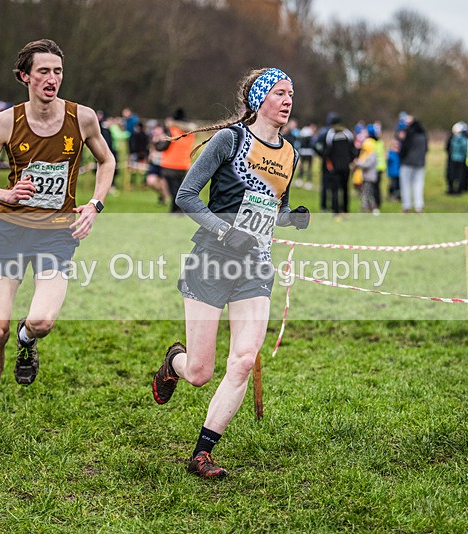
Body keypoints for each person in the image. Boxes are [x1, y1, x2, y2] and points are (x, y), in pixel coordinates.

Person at [151, 67, 310, 478]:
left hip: (255, 266)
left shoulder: (290, 154)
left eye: (291, 93)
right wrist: (225, 230)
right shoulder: (230, 141)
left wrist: (292, 218)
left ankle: (202, 452)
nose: (288, 100)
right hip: (211, 259)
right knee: (201, 372)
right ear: (259, 100)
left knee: (241, 361)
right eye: (279, 92)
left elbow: (273, 210)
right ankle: (175, 362)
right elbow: (187, 196)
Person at [0, 38, 115, 428]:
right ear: (24, 76)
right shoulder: (4, 122)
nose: (52, 78)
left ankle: (27, 341)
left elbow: (107, 160)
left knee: (42, 321)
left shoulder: (82, 117)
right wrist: (6, 193)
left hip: (57, 234)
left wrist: (95, 205)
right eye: (43, 71)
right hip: (10, 231)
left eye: (58, 71)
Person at [317, 112, 355, 218]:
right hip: (346, 167)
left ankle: (336, 211)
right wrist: (350, 161)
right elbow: (353, 150)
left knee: (335, 190)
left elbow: (327, 152)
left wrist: (328, 163)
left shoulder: (330, 134)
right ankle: (345, 210)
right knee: (345, 189)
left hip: (334, 168)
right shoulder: (348, 133)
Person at [161, 108, 195, 213]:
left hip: (170, 164)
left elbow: (162, 146)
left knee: (173, 190)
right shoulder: (191, 132)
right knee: (179, 189)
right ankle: (174, 210)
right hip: (184, 164)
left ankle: (178, 210)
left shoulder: (172, 130)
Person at [398, 114, 428, 213]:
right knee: (418, 184)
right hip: (420, 163)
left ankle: (406, 206)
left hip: (407, 162)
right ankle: (418, 206)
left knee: (405, 184)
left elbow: (404, 148)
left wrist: (401, 156)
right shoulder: (423, 134)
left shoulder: (409, 133)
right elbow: (426, 149)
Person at [445, 121, 468, 195]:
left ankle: (452, 189)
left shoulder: (452, 138)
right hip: (461, 159)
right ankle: (458, 190)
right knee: (460, 175)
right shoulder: (463, 139)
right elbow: (464, 149)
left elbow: (448, 148)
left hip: (453, 158)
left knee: (452, 174)